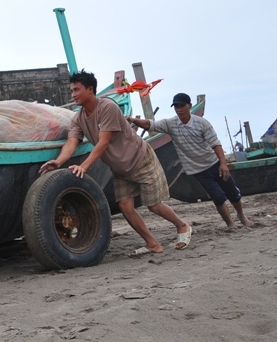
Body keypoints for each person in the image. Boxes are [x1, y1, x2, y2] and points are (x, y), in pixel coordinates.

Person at [39, 70, 192, 257]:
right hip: (120, 169)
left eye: (77, 90)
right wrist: (59, 161)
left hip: (140, 159)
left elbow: (103, 142)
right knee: (125, 206)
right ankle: (152, 244)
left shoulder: (107, 107)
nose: (73, 94)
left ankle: (182, 225)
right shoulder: (78, 118)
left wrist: (84, 166)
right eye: (71, 91)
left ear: (90, 89)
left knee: (154, 205)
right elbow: (72, 142)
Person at [128, 93, 254, 229]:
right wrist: (132, 120)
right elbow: (150, 125)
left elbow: (215, 144)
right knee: (218, 197)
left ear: (189, 106)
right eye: (176, 107)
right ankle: (230, 224)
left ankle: (241, 216)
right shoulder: (171, 124)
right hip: (198, 170)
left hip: (214, 164)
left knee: (233, 193)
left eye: (182, 106)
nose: (179, 109)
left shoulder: (201, 123)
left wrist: (223, 164)